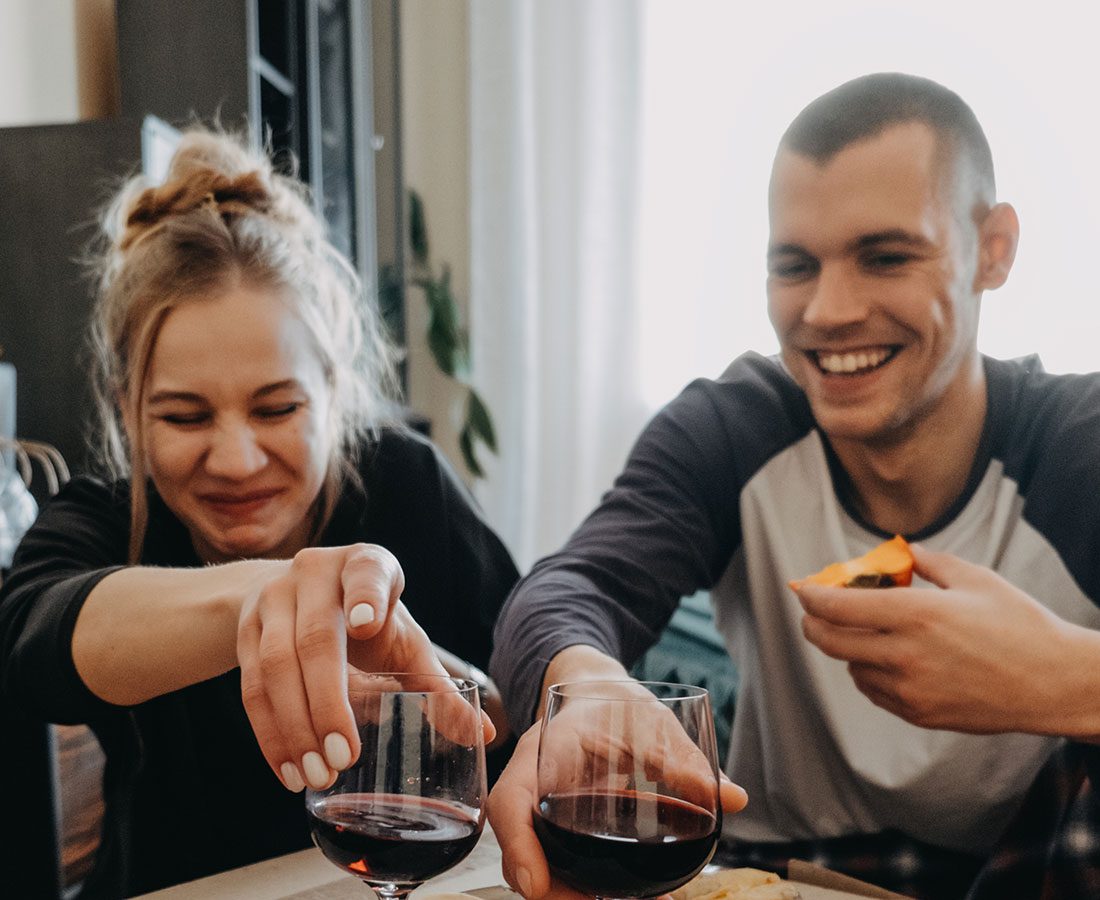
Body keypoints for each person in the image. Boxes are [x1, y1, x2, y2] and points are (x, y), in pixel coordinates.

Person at [487, 72, 1100, 899]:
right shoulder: (735, 428)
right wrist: (589, 688)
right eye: (794, 265)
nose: (828, 311)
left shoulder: (1075, 448)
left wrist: (1059, 677)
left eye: (886, 257)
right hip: (784, 872)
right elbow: (572, 585)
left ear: (993, 248)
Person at [0, 129, 519, 897]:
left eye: (277, 407)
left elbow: (515, 694)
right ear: (127, 411)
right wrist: (272, 595)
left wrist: (442, 687)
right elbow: (32, 639)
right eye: (183, 417)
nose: (237, 459)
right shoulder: (106, 517)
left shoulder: (406, 482)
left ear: (333, 395)